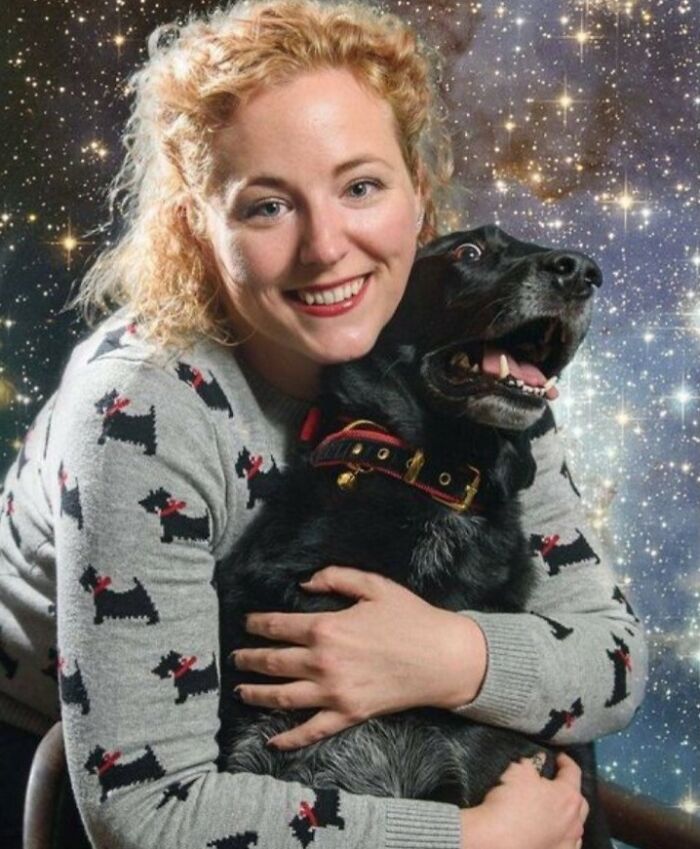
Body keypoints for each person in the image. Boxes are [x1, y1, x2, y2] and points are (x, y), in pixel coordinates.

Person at [0, 1, 647, 848]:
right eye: (268, 206)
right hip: (55, 757)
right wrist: (478, 842)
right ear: (199, 226)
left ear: (419, 195)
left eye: (361, 186)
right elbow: (144, 810)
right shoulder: (139, 406)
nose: (326, 247)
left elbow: (615, 662)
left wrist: (449, 655)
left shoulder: (476, 364)